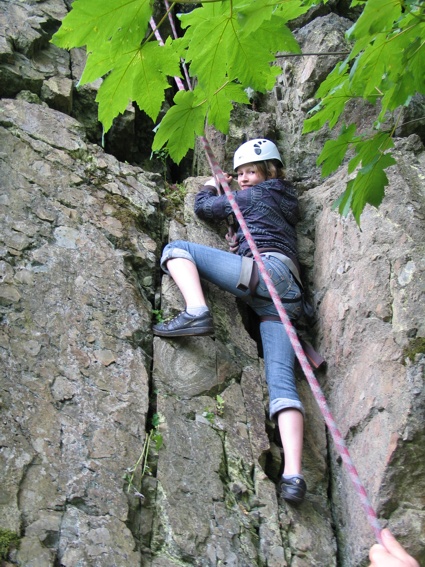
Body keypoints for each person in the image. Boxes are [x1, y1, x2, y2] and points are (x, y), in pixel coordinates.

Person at [153, 138, 306, 503]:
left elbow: (205, 208)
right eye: (239, 174)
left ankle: (196, 312)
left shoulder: (255, 196)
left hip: (266, 273)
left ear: (270, 170)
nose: (244, 179)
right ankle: (294, 476)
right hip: (288, 296)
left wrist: (210, 182)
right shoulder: (286, 201)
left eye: (251, 171)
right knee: (282, 384)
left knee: (176, 250)